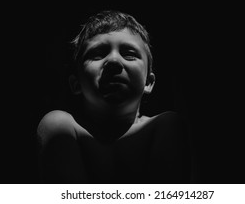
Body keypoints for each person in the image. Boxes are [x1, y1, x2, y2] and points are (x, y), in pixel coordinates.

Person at [37, 10, 191, 183]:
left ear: (148, 82)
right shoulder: (61, 126)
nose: (113, 62)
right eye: (98, 54)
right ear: (76, 83)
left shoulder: (165, 127)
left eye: (129, 54)